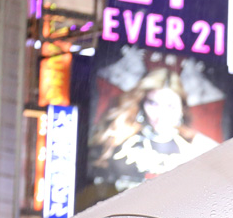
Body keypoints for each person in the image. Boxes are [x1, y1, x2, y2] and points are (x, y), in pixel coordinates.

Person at [89, 67, 217, 191]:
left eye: (170, 106)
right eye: (153, 103)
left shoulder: (198, 147)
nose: (161, 114)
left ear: (182, 109)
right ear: (142, 102)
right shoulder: (117, 138)